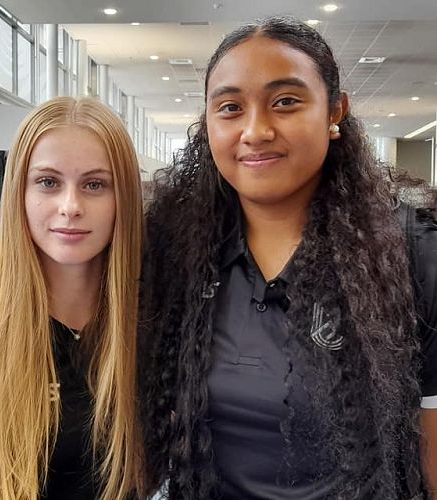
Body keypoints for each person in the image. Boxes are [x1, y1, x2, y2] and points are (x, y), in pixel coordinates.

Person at [139, 16, 437, 500]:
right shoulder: (174, 251)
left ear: (335, 111)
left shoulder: (410, 253)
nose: (255, 131)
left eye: (285, 102)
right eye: (231, 108)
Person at [0, 96, 143, 499]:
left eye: (95, 184)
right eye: (48, 182)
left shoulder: (157, 334)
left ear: (124, 199)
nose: (71, 206)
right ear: (19, 193)